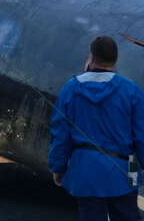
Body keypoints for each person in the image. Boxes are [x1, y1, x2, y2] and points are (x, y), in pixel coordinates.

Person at [49, 36, 144, 221]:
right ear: (115, 59)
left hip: (85, 168)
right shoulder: (131, 89)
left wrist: (58, 167)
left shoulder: (71, 88)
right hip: (128, 166)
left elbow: (60, 134)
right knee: (129, 214)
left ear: (91, 57)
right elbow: (141, 135)